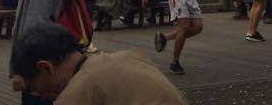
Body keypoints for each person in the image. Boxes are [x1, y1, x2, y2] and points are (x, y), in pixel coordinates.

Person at [11, 23, 185, 104]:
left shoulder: (74, 96)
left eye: (34, 87)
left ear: (45, 67)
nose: (42, 95)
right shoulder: (130, 57)